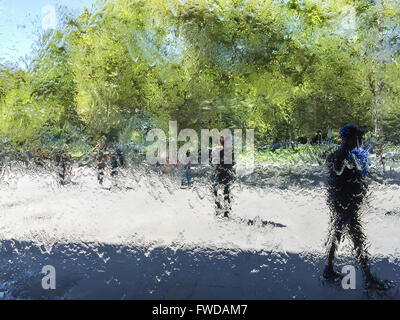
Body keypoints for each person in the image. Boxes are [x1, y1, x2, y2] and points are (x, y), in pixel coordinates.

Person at [324, 125, 387, 289]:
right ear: (350, 138)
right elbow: (350, 182)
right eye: (359, 137)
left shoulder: (339, 155)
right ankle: (368, 277)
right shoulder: (345, 157)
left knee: (337, 234)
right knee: (357, 240)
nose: (361, 141)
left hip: (340, 204)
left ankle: (329, 269)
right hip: (346, 205)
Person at [212, 137, 235, 218]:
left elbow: (216, 164)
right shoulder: (231, 153)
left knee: (215, 190)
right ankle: (226, 211)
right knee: (226, 192)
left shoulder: (221, 152)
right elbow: (233, 164)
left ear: (222, 144)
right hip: (227, 174)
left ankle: (219, 208)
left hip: (221, 174)